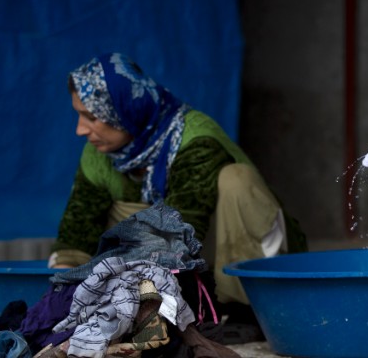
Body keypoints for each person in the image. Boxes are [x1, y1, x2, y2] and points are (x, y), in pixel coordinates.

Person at [49, 53, 307, 310]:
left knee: (235, 180)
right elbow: (79, 228)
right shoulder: (98, 152)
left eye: (91, 117)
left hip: (218, 250)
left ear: (125, 110)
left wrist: (140, 302)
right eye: (79, 116)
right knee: (117, 222)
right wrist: (63, 294)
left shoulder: (194, 139)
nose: (80, 130)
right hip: (163, 262)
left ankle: (246, 306)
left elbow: (179, 230)